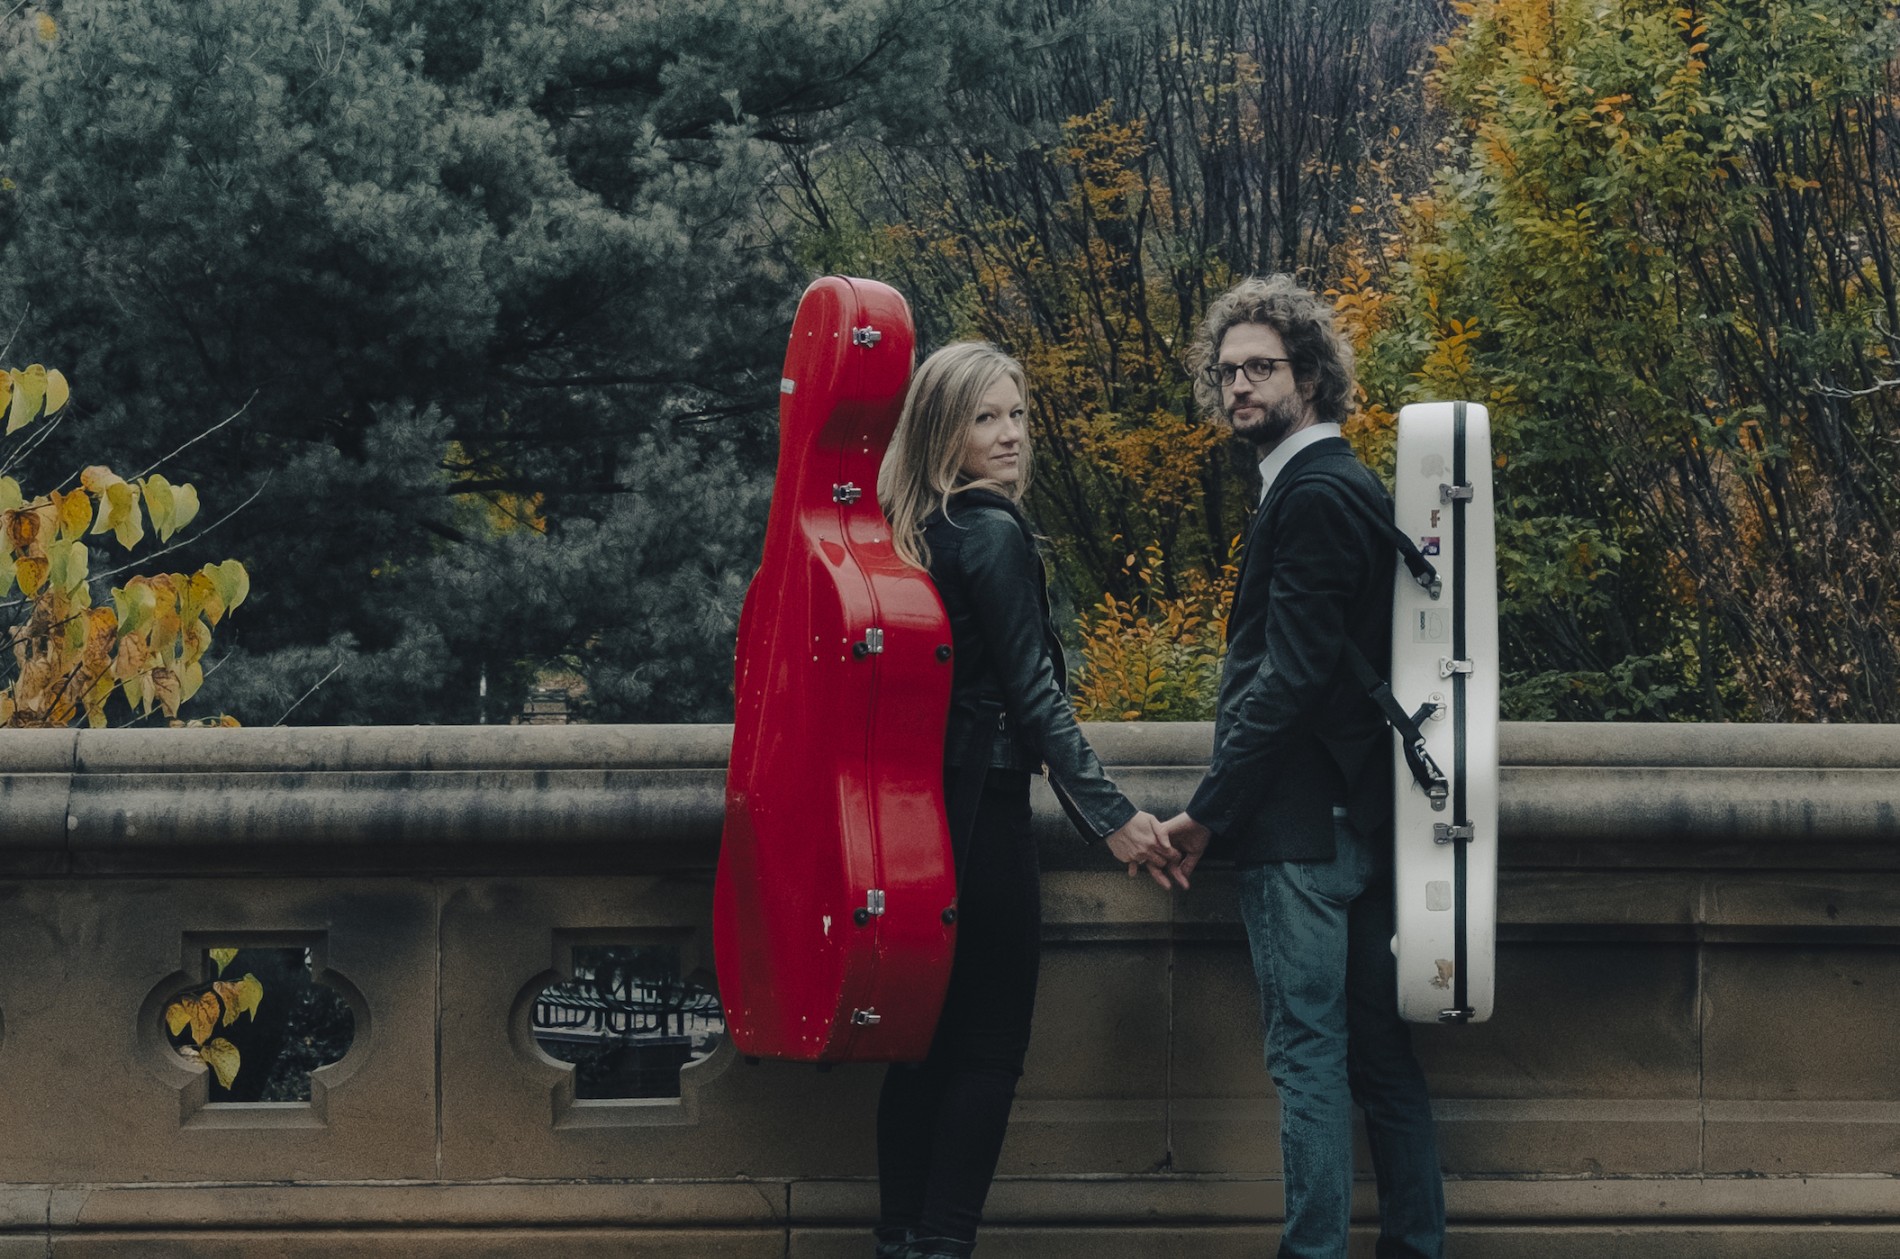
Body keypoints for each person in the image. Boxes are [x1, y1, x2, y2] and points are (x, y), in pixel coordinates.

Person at [872, 340, 1179, 1259]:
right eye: (986, 418)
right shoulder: (993, 532)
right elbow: (1035, 698)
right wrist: (1115, 817)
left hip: (913, 813)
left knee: (921, 1044)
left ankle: (900, 1240)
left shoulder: (909, 530)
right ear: (942, 430)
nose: (1010, 435)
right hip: (983, 810)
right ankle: (944, 1244)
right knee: (991, 1043)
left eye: (1017, 415)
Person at [1161, 276, 1447, 1258]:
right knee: (1377, 1052)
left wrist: (1207, 811)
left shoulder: (1315, 492)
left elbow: (1287, 674)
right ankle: (1412, 1242)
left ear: (1311, 376)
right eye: (1228, 369)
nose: (1237, 385)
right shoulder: (1342, 483)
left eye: (1260, 368)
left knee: (1310, 1055)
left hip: (1300, 827)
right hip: (1356, 818)